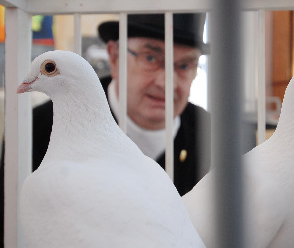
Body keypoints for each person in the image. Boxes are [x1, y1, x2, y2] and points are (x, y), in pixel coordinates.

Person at [1, 13, 211, 247]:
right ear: (114, 56)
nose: (166, 81)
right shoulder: (31, 129)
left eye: (184, 65)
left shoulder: (220, 140)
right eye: (150, 57)